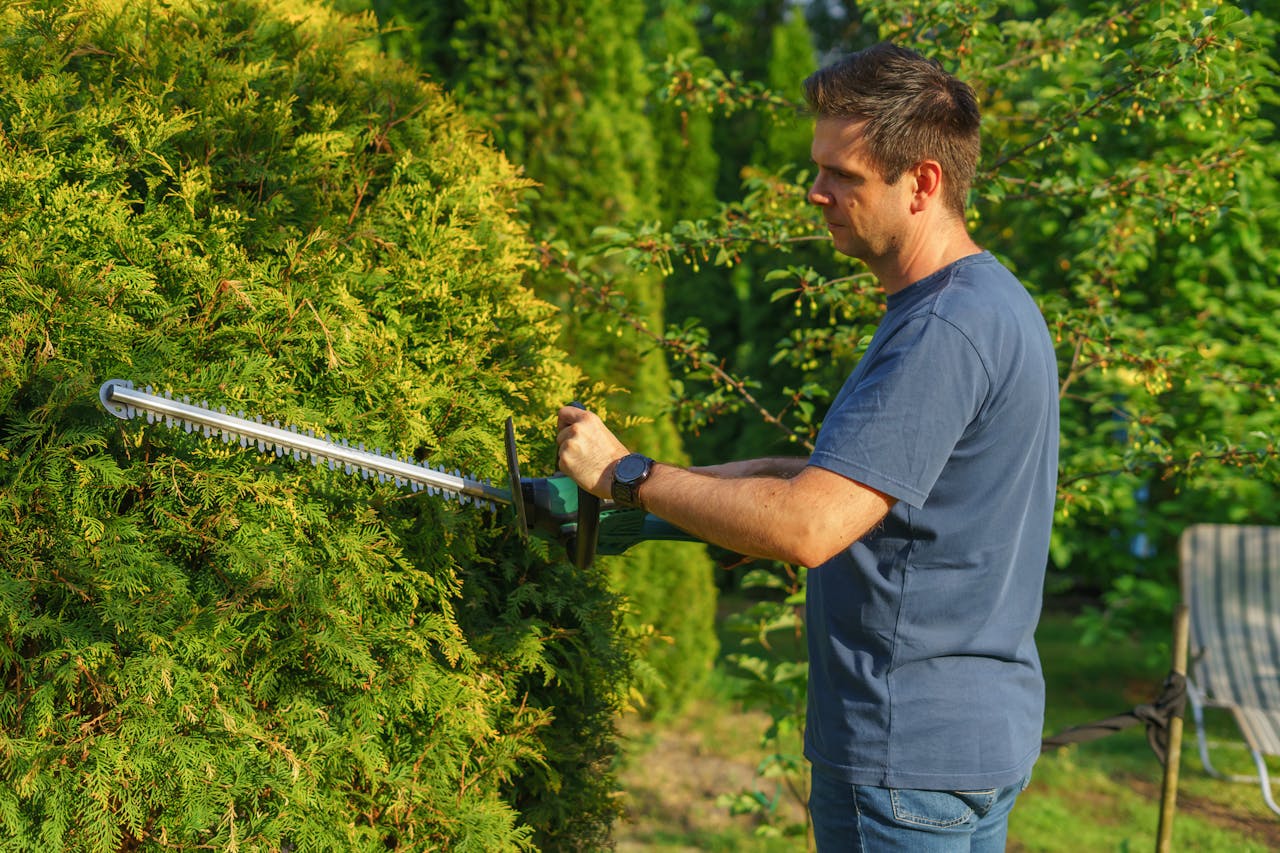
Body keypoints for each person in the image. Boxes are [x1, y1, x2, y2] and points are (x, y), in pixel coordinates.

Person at [556, 41, 1059, 852]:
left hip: (901, 757)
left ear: (922, 182)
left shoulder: (940, 328)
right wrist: (652, 502)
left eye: (843, 175)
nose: (814, 192)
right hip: (970, 740)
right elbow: (839, 486)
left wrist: (627, 474)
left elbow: (808, 526)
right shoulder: (992, 303)